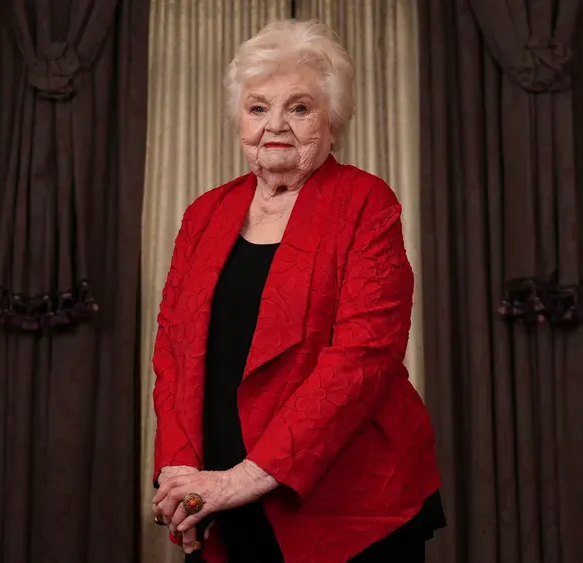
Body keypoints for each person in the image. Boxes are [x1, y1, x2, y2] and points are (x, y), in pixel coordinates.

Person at [150, 19, 444, 563]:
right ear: (239, 118)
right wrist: (181, 474)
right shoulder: (204, 213)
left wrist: (244, 479)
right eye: (258, 107)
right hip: (216, 498)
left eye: (299, 107)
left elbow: (363, 358)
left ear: (332, 119)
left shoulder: (365, 202)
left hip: (347, 505)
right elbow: (173, 350)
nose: (275, 125)